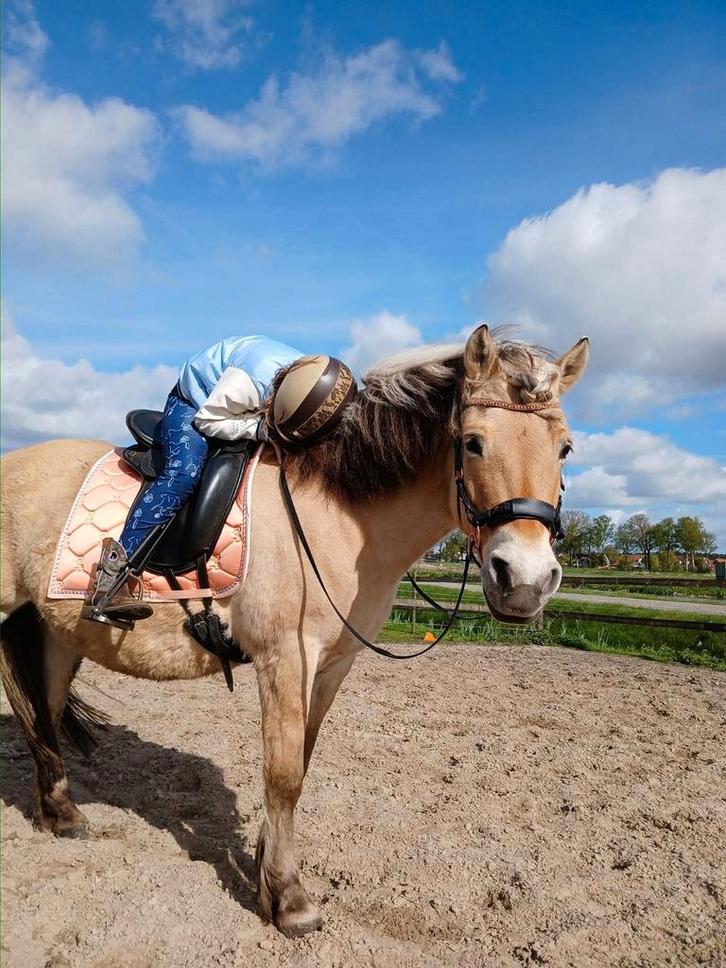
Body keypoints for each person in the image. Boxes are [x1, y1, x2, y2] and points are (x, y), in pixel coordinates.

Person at [81, 335, 356, 629]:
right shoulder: (246, 382)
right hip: (195, 404)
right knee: (182, 474)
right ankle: (111, 579)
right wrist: (264, 430)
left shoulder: (318, 383)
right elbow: (207, 420)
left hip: (257, 407)